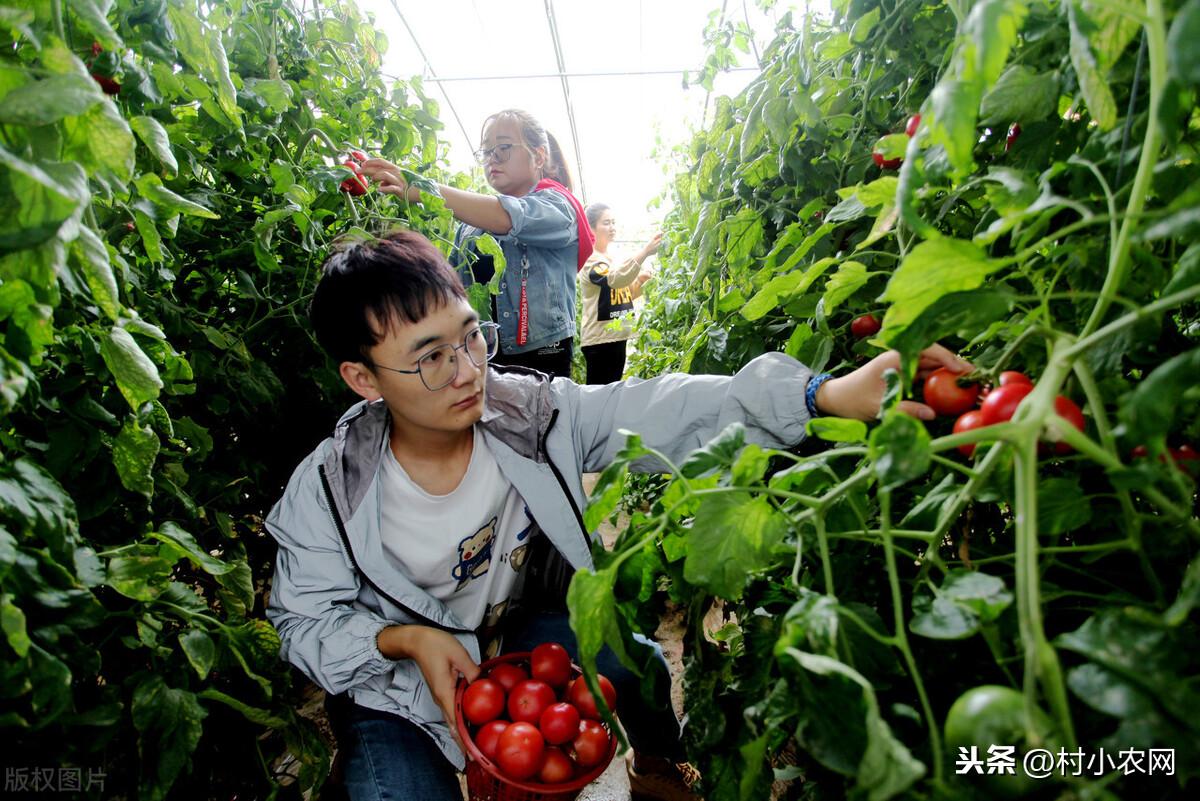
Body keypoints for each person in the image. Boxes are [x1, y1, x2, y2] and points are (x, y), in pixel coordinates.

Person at [264, 230, 970, 801]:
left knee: (627, 659)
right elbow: (302, 621)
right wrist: (405, 640)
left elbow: (662, 406)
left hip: (513, 629)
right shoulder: (329, 492)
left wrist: (818, 395)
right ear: (363, 378)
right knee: (390, 789)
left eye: (470, 336)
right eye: (429, 358)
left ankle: (660, 762)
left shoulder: (530, 414)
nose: (467, 370)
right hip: (395, 684)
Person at [359, 109, 592, 379]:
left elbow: (509, 217)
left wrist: (423, 189)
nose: (492, 158)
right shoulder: (469, 224)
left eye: (503, 147)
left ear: (538, 156)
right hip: (485, 350)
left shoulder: (558, 206)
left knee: (542, 415)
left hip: (543, 351)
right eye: (486, 151)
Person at [579, 203, 660, 384]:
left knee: (611, 393)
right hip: (600, 341)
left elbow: (624, 293)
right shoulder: (590, 260)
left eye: (613, 222)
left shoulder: (612, 258)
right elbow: (614, 279)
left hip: (617, 337)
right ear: (591, 228)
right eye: (606, 223)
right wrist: (645, 252)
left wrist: (639, 281)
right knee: (599, 396)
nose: (612, 228)